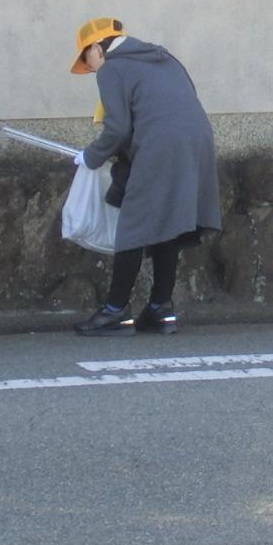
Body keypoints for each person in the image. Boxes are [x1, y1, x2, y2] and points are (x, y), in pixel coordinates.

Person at [69, 19, 223, 336]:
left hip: (160, 145)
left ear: (97, 48)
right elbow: (172, 107)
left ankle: (115, 311)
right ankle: (160, 309)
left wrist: (91, 156)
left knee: (134, 223)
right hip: (197, 142)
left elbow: (118, 128)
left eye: (88, 60)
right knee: (168, 222)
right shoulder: (164, 58)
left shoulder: (112, 68)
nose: (93, 69)